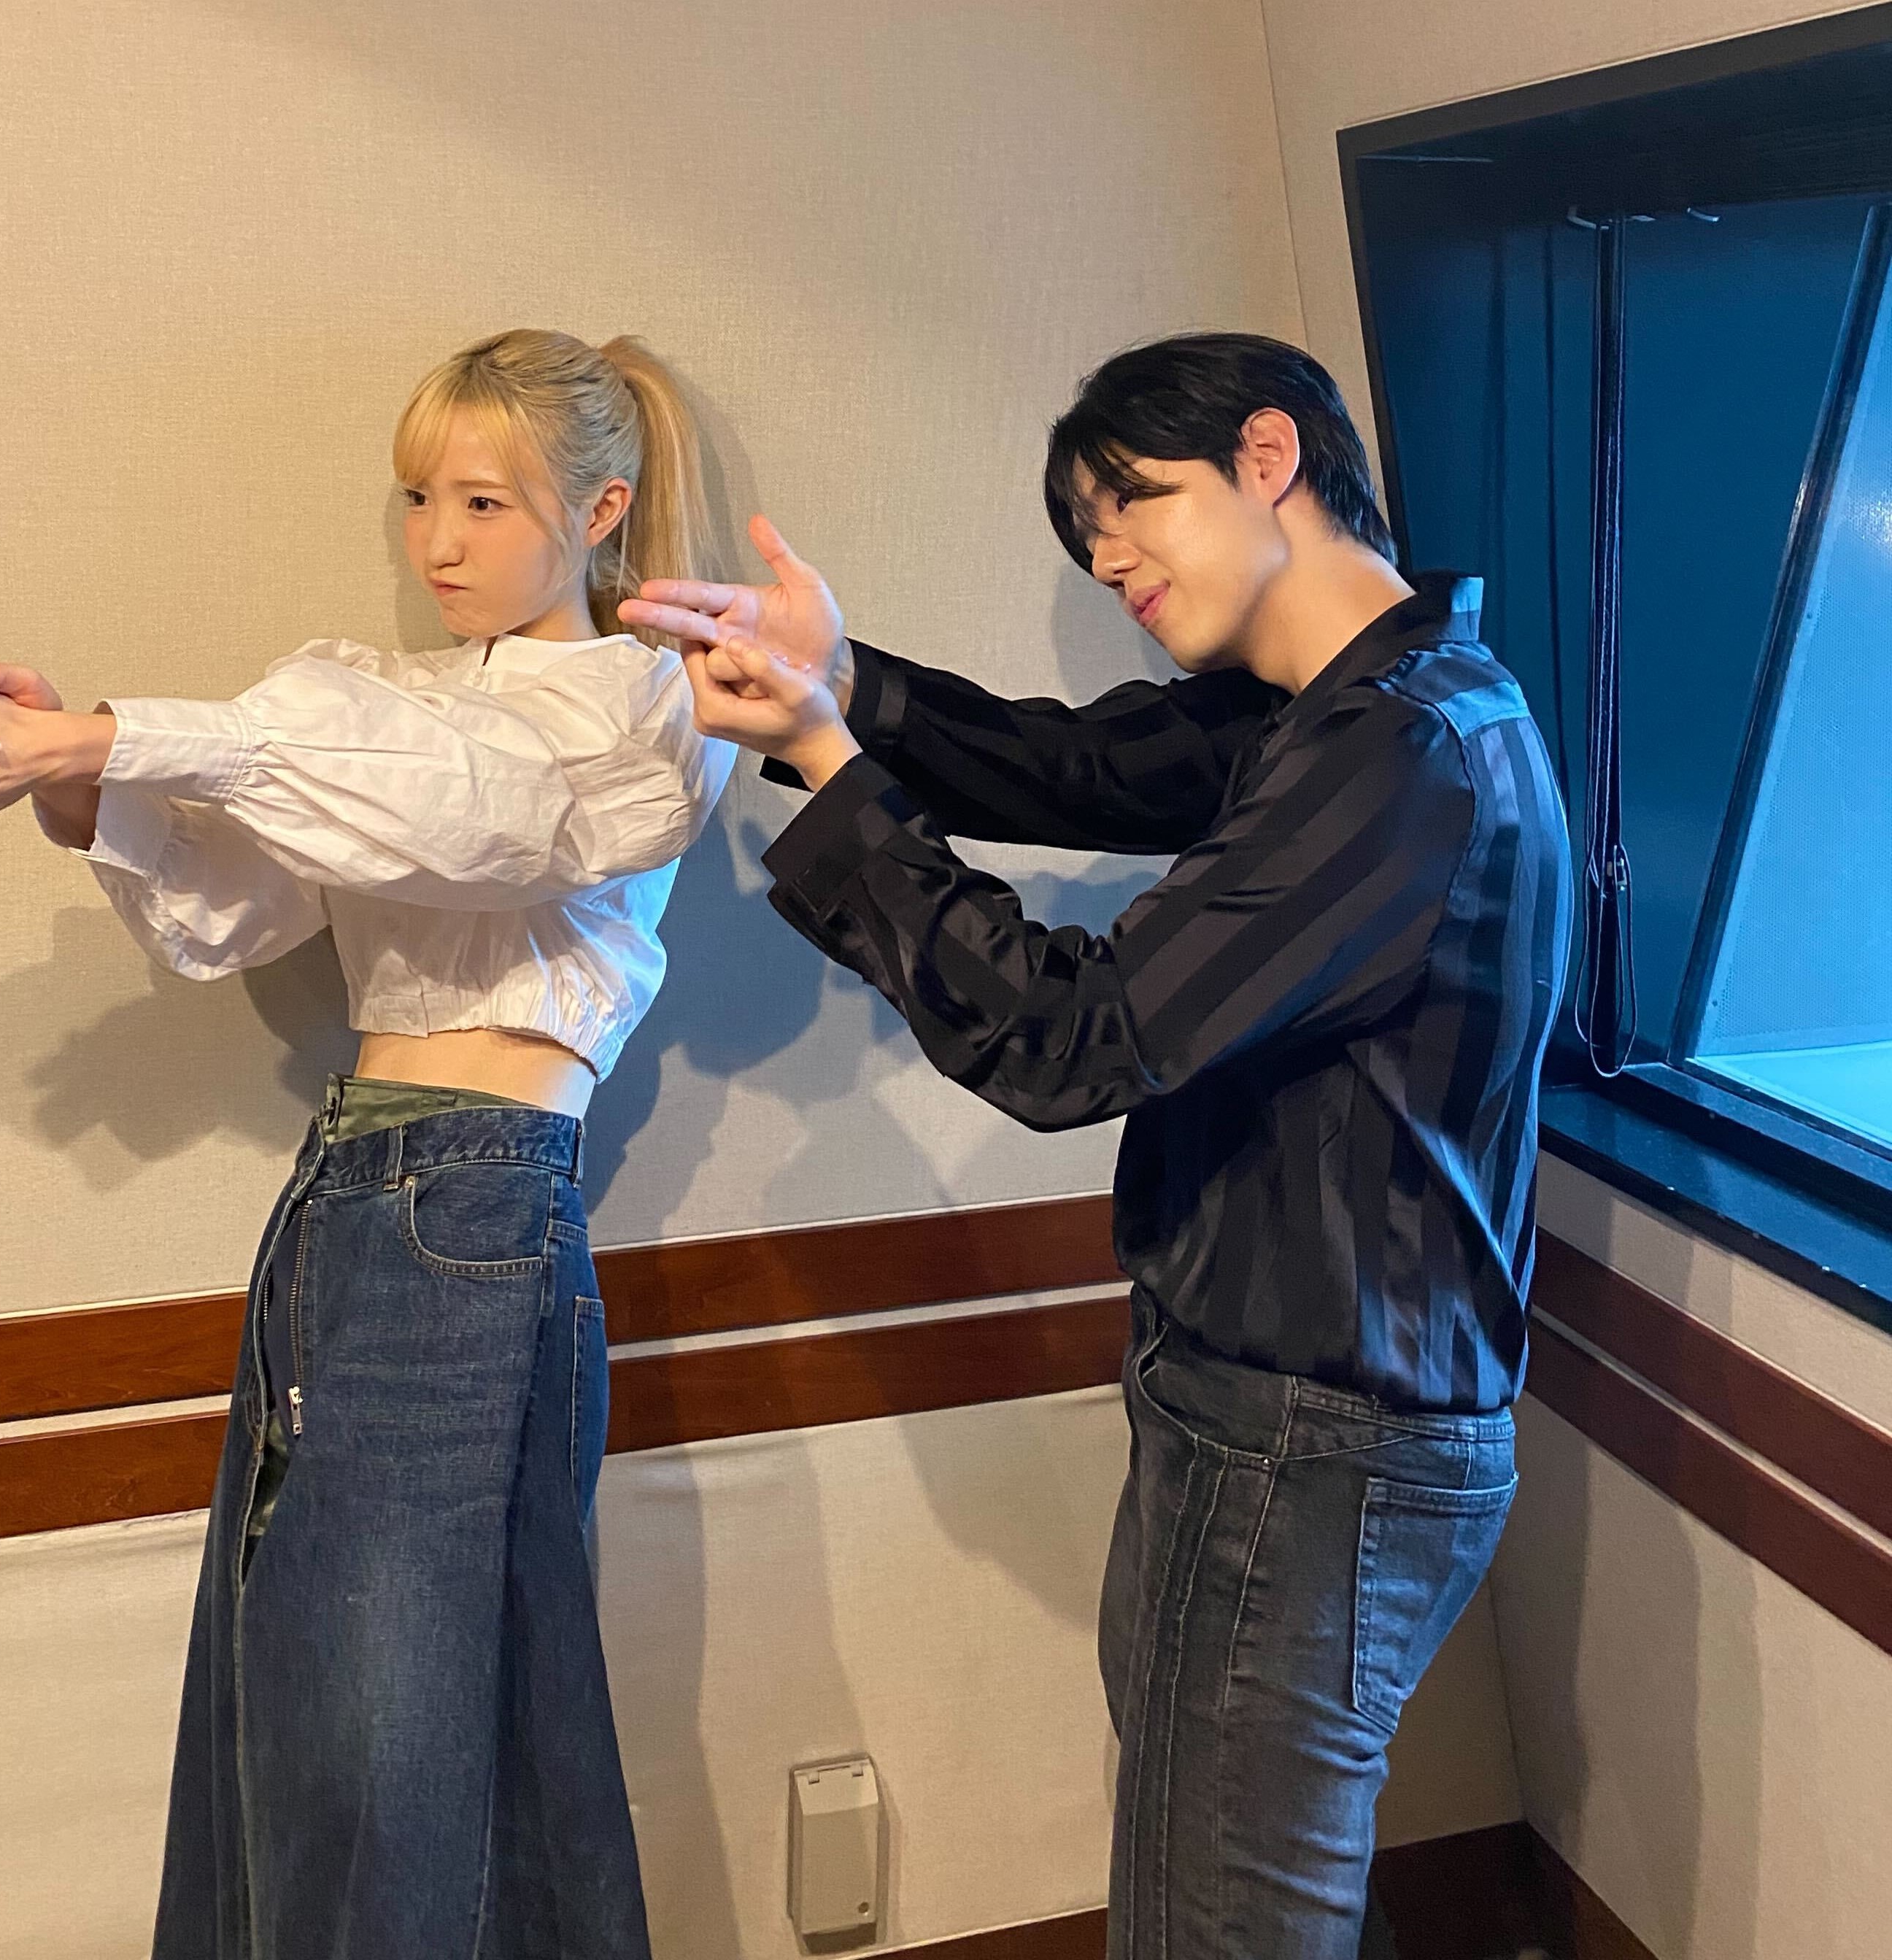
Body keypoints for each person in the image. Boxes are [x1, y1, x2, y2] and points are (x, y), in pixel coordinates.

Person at [622, 333, 1572, 1960]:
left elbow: (1077, 1035)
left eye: (1134, 501)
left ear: (1270, 454)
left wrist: (835, 766)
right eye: (1087, 535)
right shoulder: (1342, 713)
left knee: (1215, 1926)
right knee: (1236, 1894)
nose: (1110, 557)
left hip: (1309, 1443)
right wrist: (839, 683)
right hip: (1281, 1419)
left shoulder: (1398, 749)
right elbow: (1068, 763)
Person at [0, 328, 733, 1958]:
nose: (437, 541)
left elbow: (490, 819)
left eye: (483, 500)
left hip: (475, 1194)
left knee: (409, 1724)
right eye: (417, 498)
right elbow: (230, 905)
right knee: (320, 1688)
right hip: (352, 1192)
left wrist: (108, 737)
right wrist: (64, 773)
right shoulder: (391, 704)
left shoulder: (647, 703)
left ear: (601, 509)